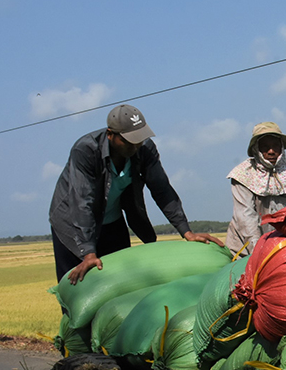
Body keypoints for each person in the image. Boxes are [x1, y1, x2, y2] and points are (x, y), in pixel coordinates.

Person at [49, 104, 223, 285]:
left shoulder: (145, 149)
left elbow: (162, 190)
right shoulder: (85, 150)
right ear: (110, 134)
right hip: (72, 226)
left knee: (120, 280)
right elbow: (82, 202)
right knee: (77, 284)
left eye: (139, 137)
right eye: (129, 140)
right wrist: (88, 253)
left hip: (112, 222)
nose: (136, 144)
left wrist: (187, 232)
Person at [225, 121, 286, 255]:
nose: (271, 151)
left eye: (275, 146)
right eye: (265, 147)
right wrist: (259, 252)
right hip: (245, 248)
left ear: (282, 148)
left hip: (282, 246)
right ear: (256, 149)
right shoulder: (242, 175)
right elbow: (246, 218)